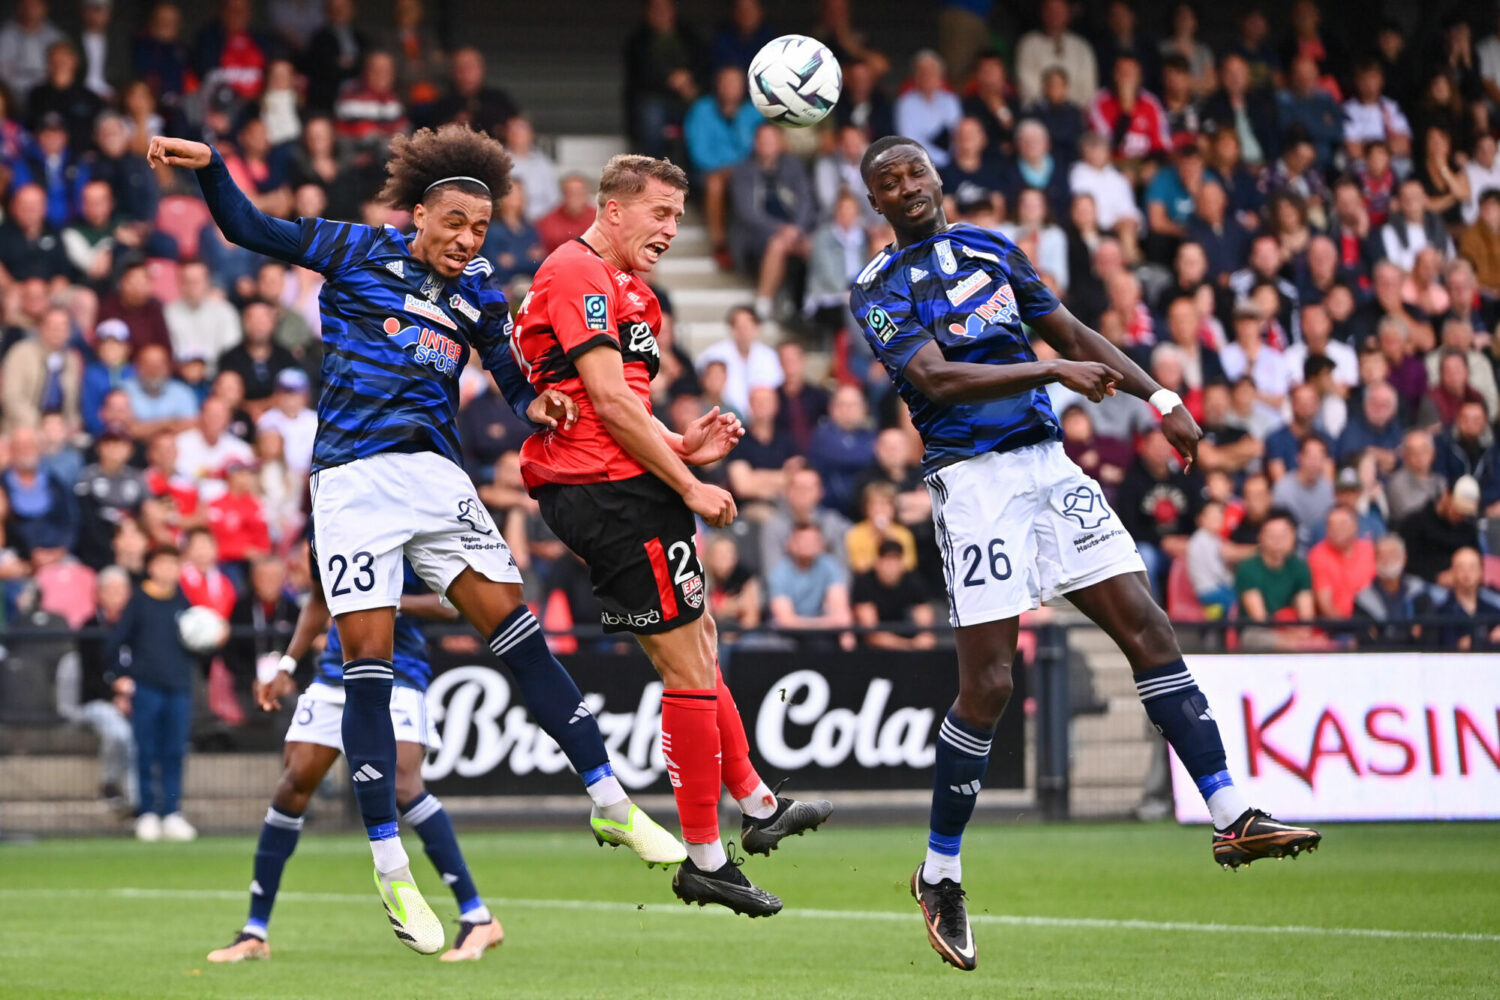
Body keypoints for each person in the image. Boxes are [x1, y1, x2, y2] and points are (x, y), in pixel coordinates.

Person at [146, 124, 682, 955]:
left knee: (521, 636)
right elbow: (250, 230)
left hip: (437, 481)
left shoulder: (480, 296)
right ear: (421, 215)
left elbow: (511, 380)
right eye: (456, 225)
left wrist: (537, 404)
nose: (469, 240)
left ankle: (609, 799)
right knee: (367, 673)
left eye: (481, 228)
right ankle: (391, 867)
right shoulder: (356, 249)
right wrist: (215, 168)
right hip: (355, 483)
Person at [852, 135, 1319, 972]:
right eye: (888, 182)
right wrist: (1052, 371)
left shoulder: (994, 247)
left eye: (915, 170)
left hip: (1048, 467)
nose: (907, 186)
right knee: (989, 685)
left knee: (1148, 628)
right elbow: (938, 379)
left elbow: (1070, 328)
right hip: (974, 482)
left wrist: (1160, 396)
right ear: (876, 205)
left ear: (936, 175)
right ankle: (940, 872)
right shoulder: (879, 289)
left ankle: (1231, 813)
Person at [512, 152, 833, 916]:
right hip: (607, 491)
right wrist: (688, 481)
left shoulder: (635, 296)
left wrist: (682, 448)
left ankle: (755, 804)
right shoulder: (575, 273)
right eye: (660, 214)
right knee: (686, 665)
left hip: (626, 480)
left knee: (701, 641)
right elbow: (605, 406)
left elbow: (623, 405)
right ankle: (707, 857)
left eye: (678, 219)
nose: (670, 230)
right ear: (614, 209)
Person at [206, 560, 505, 964]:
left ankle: (477, 917)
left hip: (398, 672)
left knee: (402, 785)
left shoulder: (409, 519)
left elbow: (450, 605)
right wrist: (287, 666)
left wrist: (390, 600)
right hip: (335, 673)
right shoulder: (328, 522)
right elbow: (318, 599)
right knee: (293, 786)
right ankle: (255, 931)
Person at [105, 544, 198, 843]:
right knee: (145, 751)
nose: (169, 570)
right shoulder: (139, 602)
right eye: (163, 563)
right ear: (151, 567)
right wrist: (120, 679)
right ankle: (146, 812)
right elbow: (114, 644)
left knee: (174, 751)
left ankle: (171, 812)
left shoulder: (183, 601)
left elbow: (196, 641)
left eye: (174, 563)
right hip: (146, 688)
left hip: (178, 687)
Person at [852, 537, 935, 649]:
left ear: (902, 563)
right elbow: (871, 633)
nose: (891, 566)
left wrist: (923, 639)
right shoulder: (864, 583)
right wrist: (910, 645)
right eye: (887, 559)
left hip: (908, 643)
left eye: (895, 560)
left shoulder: (914, 581)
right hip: (872, 652)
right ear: (877, 562)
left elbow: (926, 628)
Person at [1307, 505, 1376, 620]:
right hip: (1339, 626)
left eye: (1343, 524)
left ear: (1355, 526)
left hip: (1374, 622)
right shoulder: (1318, 554)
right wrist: (1351, 627)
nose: (1336, 529)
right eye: (1331, 525)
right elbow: (1326, 605)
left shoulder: (1370, 550)